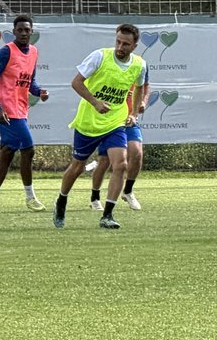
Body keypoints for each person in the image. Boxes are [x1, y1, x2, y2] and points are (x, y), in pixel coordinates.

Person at [51, 23, 146, 230]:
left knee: (120, 164)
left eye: (126, 44)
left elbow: (140, 87)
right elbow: (76, 82)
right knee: (76, 167)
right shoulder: (100, 57)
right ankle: (61, 200)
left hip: (115, 122)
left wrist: (133, 113)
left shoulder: (139, 64)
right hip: (89, 122)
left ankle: (107, 215)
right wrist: (95, 102)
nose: (120, 47)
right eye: (118, 42)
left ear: (135, 46)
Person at [0, 14, 49, 213]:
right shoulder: (6, 51)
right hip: (6, 110)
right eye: (20, 30)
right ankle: (30, 197)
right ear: (14, 32)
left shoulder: (34, 52)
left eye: (27, 30)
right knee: (28, 149)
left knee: (8, 153)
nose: (24, 33)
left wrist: (40, 92)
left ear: (32, 32)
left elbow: (30, 82)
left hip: (21, 109)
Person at [88, 78, 150, 211]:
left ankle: (127, 191)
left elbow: (145, 87)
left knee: (137, 152)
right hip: (110, 121)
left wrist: (143, 102)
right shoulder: (107, 64)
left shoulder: (139, 65)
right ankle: (95, 197)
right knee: (104, 161)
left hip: (129, 119)